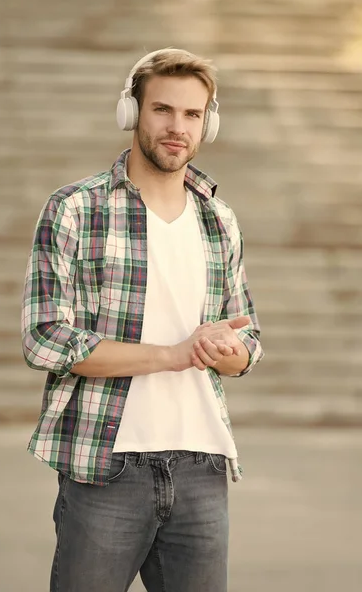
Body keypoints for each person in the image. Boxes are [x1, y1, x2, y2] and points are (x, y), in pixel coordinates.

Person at [21, 47, 264, 592]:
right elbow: (45, 338)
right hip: (107, 466)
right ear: (131, 112)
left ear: (209, 122)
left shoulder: (218, 220)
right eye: (162, 110)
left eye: (193, 114)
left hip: (202, 467)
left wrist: (229, 353)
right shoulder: (75, 209)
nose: (177, 127)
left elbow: (248, 343)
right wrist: (173, 355)